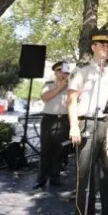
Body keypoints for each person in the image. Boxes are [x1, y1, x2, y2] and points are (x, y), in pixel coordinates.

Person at [67, 29, 108, 215]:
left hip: (107, 126)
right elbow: (71, 100)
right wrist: (74, 126)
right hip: (86, 124)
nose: (106, 49)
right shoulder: (81, 72)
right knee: (85, 176)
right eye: (102, 46)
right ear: (93, 47)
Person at [34, 61, 71, 189]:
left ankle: (55, 178)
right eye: (60, 70)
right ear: (55, 72)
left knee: (59, 151)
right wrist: (60, 87)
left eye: (65, 71)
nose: (63, 73)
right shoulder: (49, 84)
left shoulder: (71, 86)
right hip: (49, 120)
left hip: (64, 120)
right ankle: (41, 179)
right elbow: (45, 97)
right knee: (46, 150)